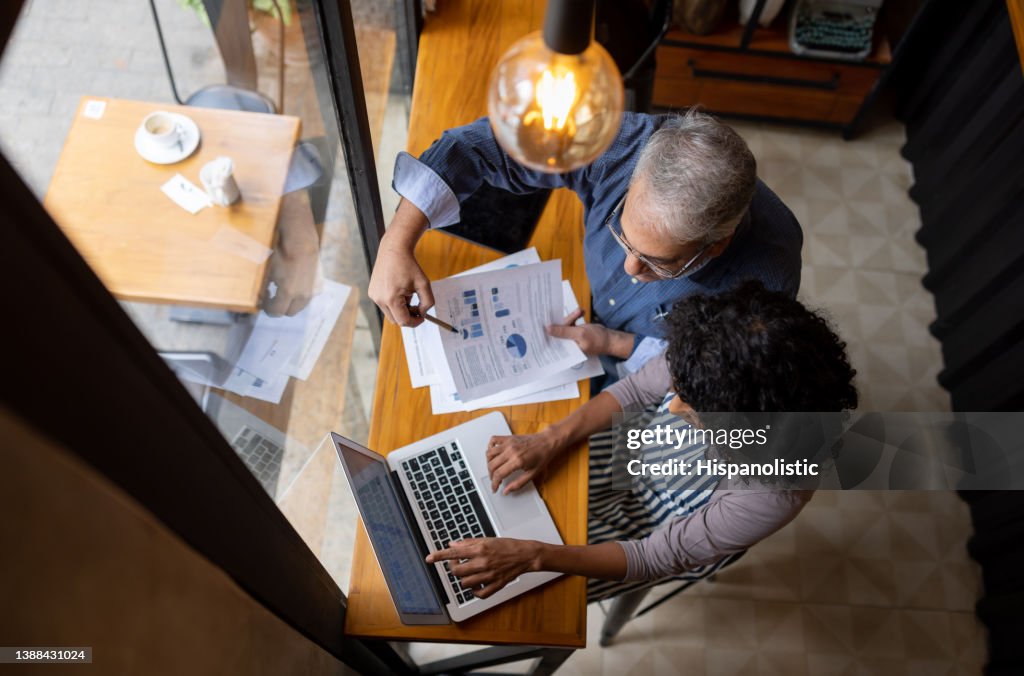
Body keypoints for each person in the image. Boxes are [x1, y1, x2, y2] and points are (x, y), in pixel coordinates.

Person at [426, 281, 858, 601]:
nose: (672, 408)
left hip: (648, 531)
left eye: (694, 410)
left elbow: (655, 555)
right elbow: (636, 392)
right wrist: (550, 439)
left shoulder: (773, 493)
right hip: (627, 457)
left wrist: (536, 556)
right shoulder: (717, 349)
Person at [369, 109, 803, 380]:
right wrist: (397, 242)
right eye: (623, 234)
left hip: (633, 368)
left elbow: (707, 369)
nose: (631, 268)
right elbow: (474, 147)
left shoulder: (768, 281)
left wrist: (614, 345)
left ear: (716, 246)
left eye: (660, 264)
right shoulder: (624, 145)